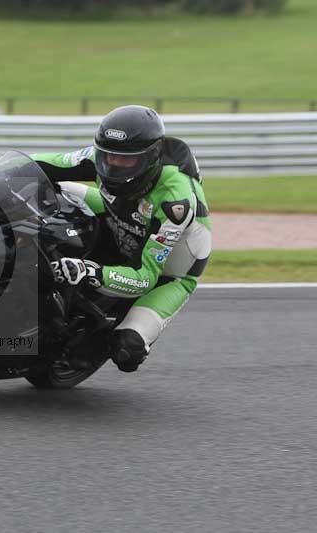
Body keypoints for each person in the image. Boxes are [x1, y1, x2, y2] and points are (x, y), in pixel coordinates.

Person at [32, 105, 212, 372]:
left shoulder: (176, 202)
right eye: (107, 157)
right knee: (51, 188)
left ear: (151, 158)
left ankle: (102, 333)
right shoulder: (101, 156)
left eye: (126, 160)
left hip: (166, 273)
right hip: (120, 217)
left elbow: (145, 277)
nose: (113, 165)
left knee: (127, 348)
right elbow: (47, 162)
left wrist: (89, 271)